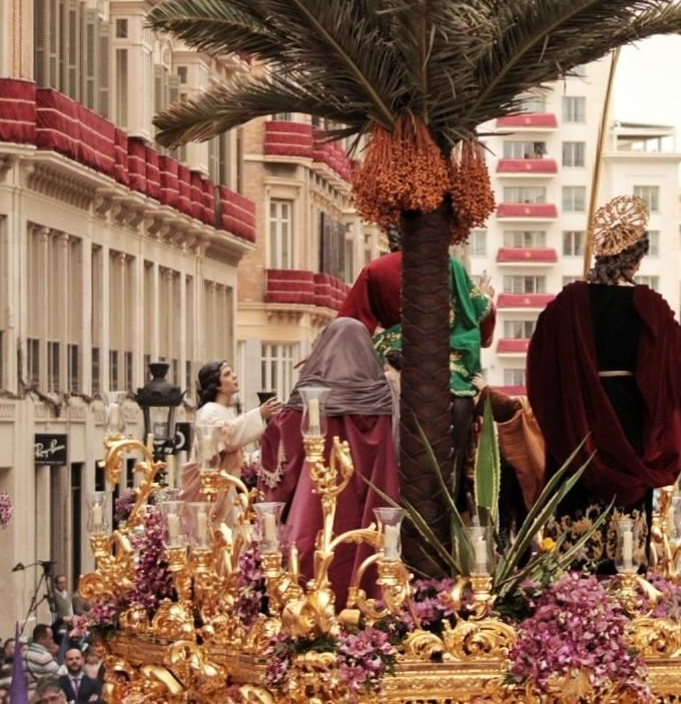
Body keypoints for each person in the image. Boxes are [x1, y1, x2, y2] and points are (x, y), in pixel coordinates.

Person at [525, 194, 681, 564]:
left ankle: (571, 596)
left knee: (576, 515)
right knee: (625, 538)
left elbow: (538, 368)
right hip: (630, 425)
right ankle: (627, 591)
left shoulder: (566, 305)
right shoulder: (648, 306)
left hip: (577, 424)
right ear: (637, 257)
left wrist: (563, 409)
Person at [336, 228, 496, 501]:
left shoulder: (374, 269)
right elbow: (481, 317)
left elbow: (351, 323)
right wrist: (486, 297)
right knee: (466, 414)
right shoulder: (452, 267)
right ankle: (457, 489)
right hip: (447, 353)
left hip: (388, 353)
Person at [260, 317, 397, 603]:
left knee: (310, 562)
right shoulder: (383, 397)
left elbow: (286, 457)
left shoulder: (308, 397)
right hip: (373, 503)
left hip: (315, 508)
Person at [180, 360, 279, 518]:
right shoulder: (208, 412)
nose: (234, 376)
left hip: (226, 488)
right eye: (227, 374)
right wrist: (258, 414)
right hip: (209, 487)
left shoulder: (226, 412)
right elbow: (226, 439)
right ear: (217, 385)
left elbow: (235, 451)